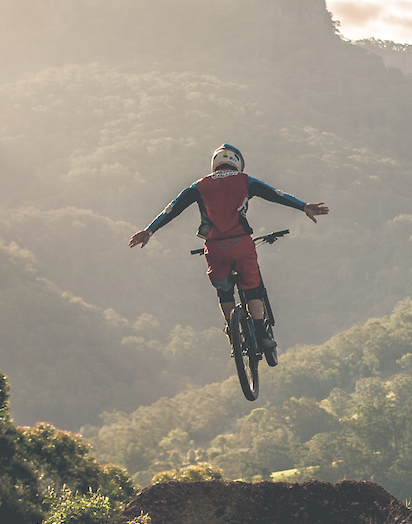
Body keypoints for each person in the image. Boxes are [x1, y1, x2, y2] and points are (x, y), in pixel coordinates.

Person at [129, 143, 328, 365]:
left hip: (215, 248)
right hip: (241, 244)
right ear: (238, 163)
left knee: (224, 292)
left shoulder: (198, 186)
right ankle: (262, 334)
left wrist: (149, 231)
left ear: (214, 163)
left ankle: (233, 332)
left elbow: (172, 208)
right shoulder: (245, 180)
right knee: (252, 288)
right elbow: (276, 195)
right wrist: (303, 206)